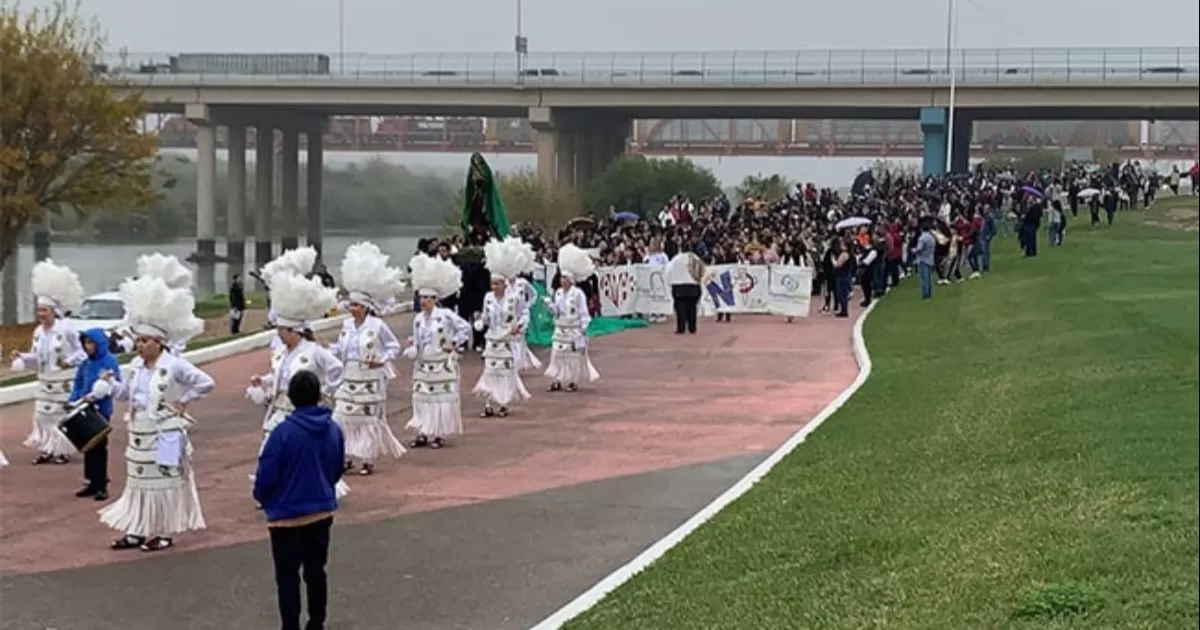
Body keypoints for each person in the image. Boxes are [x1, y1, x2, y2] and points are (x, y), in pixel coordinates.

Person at [100, 275, 213, 552]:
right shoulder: (136, 366)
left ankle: (163, 531)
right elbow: (127, 394)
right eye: (138, 340)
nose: (140, 346)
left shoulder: (174, 365)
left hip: (167, 432)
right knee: (138, 479)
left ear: (159, 343)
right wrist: (110, 384)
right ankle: (136, 529)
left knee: (165, 480)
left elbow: (206, 383)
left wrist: (183, 401)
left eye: (146, 341)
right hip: (139, 430)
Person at [254, 370, 344, 630]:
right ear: (318, 395)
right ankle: (317, 622)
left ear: (291, 398)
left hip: (286, 515)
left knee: (287, 576)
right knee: (316, 570)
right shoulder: (333, 429)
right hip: (321, 509)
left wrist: (264, 497)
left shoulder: (282, 433)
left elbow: (267, 473)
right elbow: (337, 466)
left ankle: (290, 625)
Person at [247, 269, 348, 498]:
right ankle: (274, 488)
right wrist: (262, 381)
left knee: (301, 450)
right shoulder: (282, 353)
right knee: (270, 447)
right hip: (279, 407)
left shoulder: (313, 351)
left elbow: (336, 368)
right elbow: (279, 376)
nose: (279, 334)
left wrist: (325, 391)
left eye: (281, 330)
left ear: (293, 331)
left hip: (302, 409)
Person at [330, 242, 406, 476]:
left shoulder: (377, 325)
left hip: (370, 376)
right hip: (348, 375)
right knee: (342, 417)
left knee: (366, 419)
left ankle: (366, 458)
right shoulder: (345, 326)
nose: (351, 309)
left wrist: (382, 360)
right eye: (350, 304)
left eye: (355, 305)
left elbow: (394, 346)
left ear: (364, 307)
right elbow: (340, 349)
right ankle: (345, 456)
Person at [10, 260, 86, 465]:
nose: (41, 314)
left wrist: (69, 362)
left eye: (45, 310)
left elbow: (82, 352)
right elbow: (37, 356)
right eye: (39, 310)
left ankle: (62, 451)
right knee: (43, 416)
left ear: (54, 311)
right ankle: (47, 448)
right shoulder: (38, 332)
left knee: (60, 416)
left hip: (63, 381)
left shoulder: (67, 329)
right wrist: (22, 357)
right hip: (45, 380)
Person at [405, 253, 472, 450]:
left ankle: (438, 433)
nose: (425, 301)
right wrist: (412, 348)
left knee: (439, 400)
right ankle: (422, 431)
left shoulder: (445, 315)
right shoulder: (417, 319)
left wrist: (454, 343)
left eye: (428, 298)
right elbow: (417, 340)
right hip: (423, 364)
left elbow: (465, 328)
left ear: (435, 299)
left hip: (441, 363)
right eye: (422, 297)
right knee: (421, 398)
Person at [472, 238, 534, 417]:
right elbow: (485, 317)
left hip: (507, 339)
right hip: (492, 340)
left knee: (505, 372)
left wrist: (519, 326)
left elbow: (524, 314)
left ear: (504, 284)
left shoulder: (514, 298)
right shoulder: (488, 298)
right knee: (490, 371)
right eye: (492, 284)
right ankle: (488, 403)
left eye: (497, 284)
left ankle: (503, 403)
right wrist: (479, 322)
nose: (494, 287)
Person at [67, 328, 122, 501]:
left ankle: (101, 484)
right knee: (88, 447)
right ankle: (90, 481)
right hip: (84, 408)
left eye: (91, 342)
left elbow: (112, 385)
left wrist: (94, 397)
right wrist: (73, 399)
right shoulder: (86, 363)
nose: (87, 346)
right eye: (85, 342)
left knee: (99, 447)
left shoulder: (109, 362)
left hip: (100, 411)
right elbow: (78, 383)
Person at [545, 244, 601, 392]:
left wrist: (583, 328)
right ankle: (556, 379)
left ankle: (572, 380)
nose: (562, 280)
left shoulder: (578, 294)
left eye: (565, 278)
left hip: (573, 329)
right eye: (561, 277)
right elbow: (558, 311)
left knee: (572, 357)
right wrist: (550, 305)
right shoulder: (557, 293)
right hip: (560, 328)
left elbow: (583, 312)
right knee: (557, 354)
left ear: (571, 280)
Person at [665, 244, 704, 335]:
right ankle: (692, 328)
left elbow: (668, 271)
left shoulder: (676, 259)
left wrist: (670, 282)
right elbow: (702, 269)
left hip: (679, 285)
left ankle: (681, 328)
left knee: (680, 308)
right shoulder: (695, 258)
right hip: (693, 285)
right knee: (692, 307)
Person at [913, 217, 937, 300]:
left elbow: (919, 249)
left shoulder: (922, 238)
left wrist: (914, 250)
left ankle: (925, 295)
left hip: (923, 259)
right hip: (930, 258)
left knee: (924, 279)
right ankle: (930, 293)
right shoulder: (932, 237)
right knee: (929, 278)